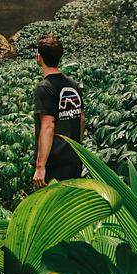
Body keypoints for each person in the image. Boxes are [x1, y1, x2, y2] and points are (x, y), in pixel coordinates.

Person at [32, 34, 84, 188]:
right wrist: (77, 148)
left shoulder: (44, 88)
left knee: (51, 210)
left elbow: (48, 126)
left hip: (54, 163)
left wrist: (40, 166)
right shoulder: (73, 85)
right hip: (73, 159)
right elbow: (81, 118)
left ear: (39, 58)